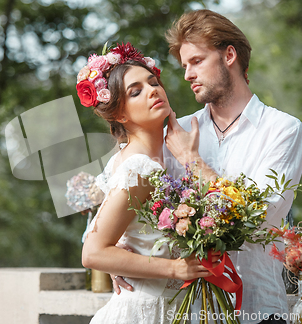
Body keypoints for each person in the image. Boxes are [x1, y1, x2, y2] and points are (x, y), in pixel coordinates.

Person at [114, 10, 302, 324]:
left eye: (196, 61)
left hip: (257, 310)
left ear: (229, 55)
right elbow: (120, 198)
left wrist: (192, 161)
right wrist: (121, 246)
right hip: (185, 312)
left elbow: (259, 218)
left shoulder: (282, 129)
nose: (187, 74)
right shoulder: (173, 131)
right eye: (185, 65)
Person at [78, 42, 219, 324]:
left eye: (153, 82)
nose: (153, 90)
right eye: (136, 91)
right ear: (120, 114)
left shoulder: (138, 158)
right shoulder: (139, 167)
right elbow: (93, 252)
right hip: (143, 312)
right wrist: (175, 268)